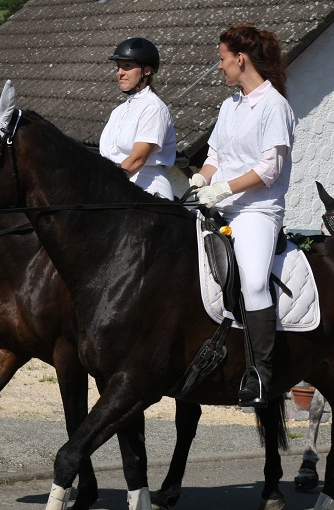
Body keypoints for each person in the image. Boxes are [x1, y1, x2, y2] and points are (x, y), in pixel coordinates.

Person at [191, 24, 295, 407]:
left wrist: (223, 188)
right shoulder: (229, 106)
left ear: (240, 59)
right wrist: (200, 177)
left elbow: (269, 169)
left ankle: (263, 376)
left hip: (257, 211)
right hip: (220, 204)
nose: (219, 66)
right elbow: (215, 156)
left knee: (253, 283)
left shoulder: (275, 106)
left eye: (222, 59)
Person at [99, 37, 176, 199]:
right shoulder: (118, 111)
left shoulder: (153, 108)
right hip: (117, 183)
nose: (120, 73)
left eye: (127, 66)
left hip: (146, 187)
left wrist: (104, 184)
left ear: (146, 71)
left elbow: (138, 159)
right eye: (118, 67)